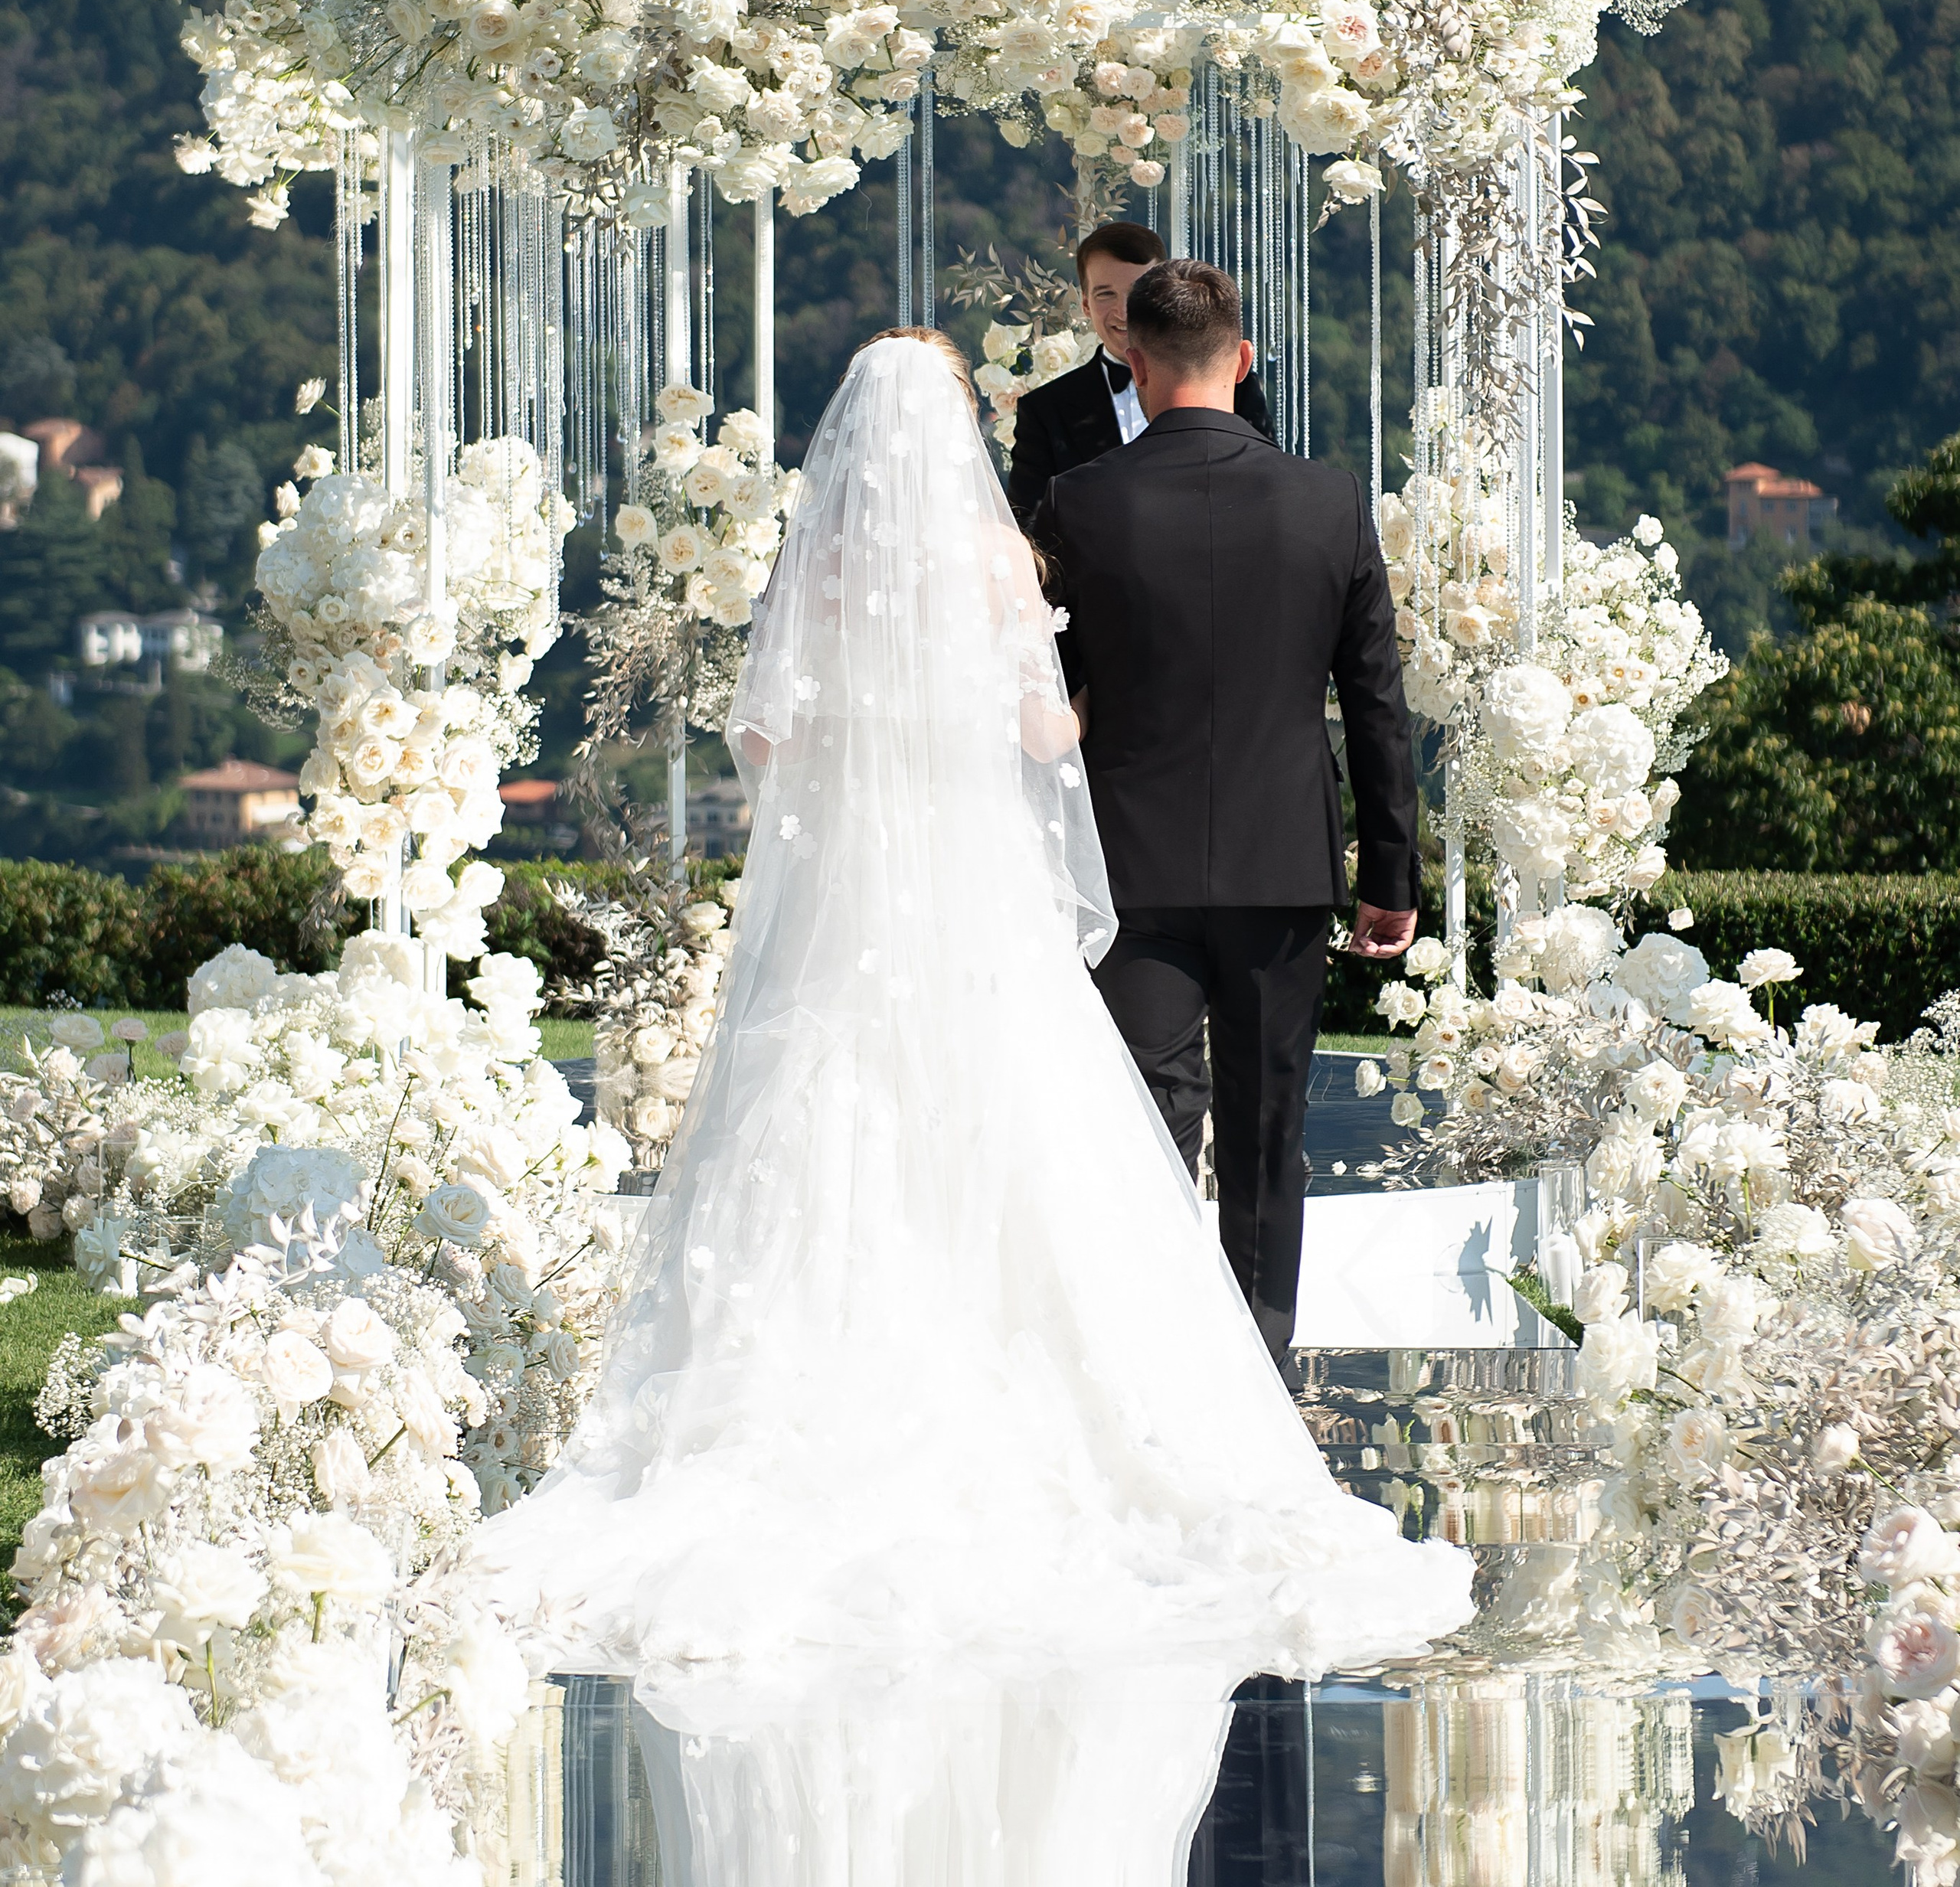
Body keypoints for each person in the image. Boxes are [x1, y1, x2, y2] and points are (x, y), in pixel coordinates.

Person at [482, 328, 1466, 1706]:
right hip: (976, 887)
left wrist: (851, 773)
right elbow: (1049, 739)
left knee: (827, 1123)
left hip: (852, 898)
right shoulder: (1004, 559)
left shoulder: (820, 565)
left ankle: (812, 1402)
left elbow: (762, 737)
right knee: (1035, 1128)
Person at [1031, 260, 1421, 1367]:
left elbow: (1044, 691)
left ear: (1133, 362)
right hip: (1281, 859)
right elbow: (1375, 701)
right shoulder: (1329, 500)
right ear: (1243, 359)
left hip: (1128, 864)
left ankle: (1147, 1361)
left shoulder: (1078, 503)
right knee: (1266, 1125)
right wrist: (1390, 874)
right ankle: (1259, 1362)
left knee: (1146, 1119)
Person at [1006, 219, 1271, 530]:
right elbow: (1030, 525)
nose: (1124, 311)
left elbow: (1265, 483)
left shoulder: (1232, 385)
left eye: (1138, 292)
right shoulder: (1045, 410)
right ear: (1086, 305)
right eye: (1106, 294)